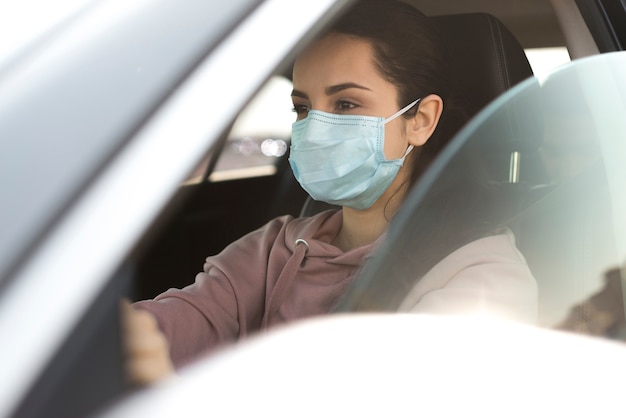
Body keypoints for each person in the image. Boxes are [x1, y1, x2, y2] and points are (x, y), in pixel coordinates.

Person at [123, 0, 538, 385]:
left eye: (345, 105)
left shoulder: (481, 278)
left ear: (421, 120)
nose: (316, 128)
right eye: (303, 108)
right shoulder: (275, 248)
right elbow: (188, 318)